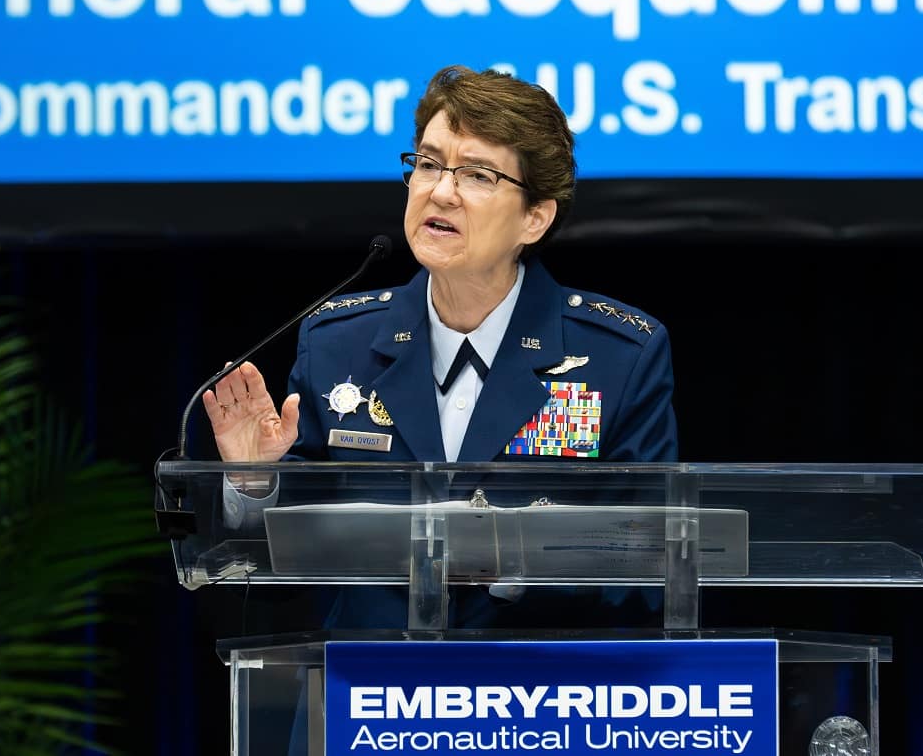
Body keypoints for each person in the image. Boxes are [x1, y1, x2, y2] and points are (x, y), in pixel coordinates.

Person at [202, 63, 677, 627]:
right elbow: (274, 580)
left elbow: (654, 579)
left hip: (540, 701)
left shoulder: (618, 357)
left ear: (534, 218)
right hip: (368, 699)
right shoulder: (337, 343)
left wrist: (513, 563)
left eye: (478, 176)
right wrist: (254, 485)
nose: (442, 191)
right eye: (428, 164)